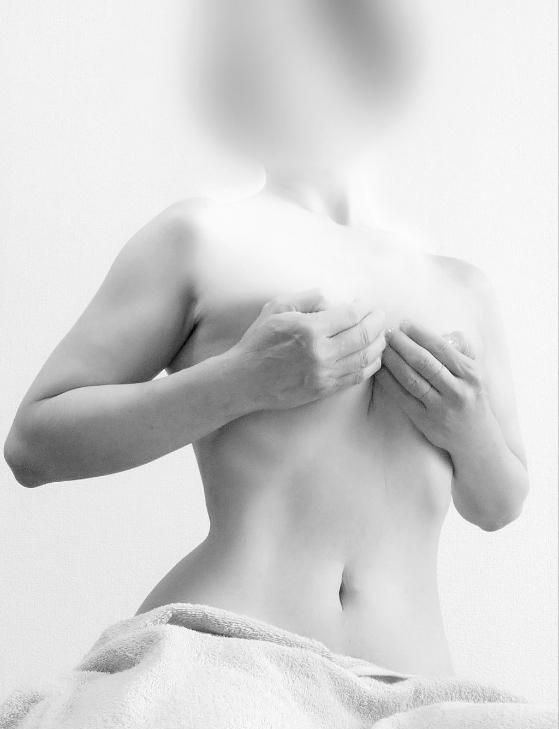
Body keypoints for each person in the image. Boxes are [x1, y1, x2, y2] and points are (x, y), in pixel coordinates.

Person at [4, 0, 528, 675]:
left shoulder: (463, 287)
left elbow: (498, 504)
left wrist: (467, 427)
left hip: (412, 697)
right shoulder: (199, 239)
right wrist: (241, 381)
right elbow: (33, 446)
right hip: (225, 675)